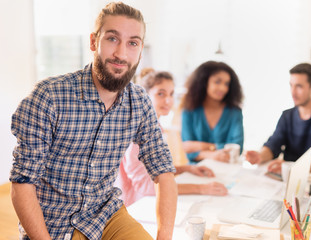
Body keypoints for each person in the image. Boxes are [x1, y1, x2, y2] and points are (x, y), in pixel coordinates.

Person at [9, 2, 177, 240]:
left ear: (140, 51)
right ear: (93, 42)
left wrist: (164, 237)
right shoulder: (49, 97)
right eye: (112, 39)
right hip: (54, 225)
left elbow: (164, 172)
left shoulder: (139, 101)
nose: (121, 53)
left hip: (106, 216)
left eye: (132, 43)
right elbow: (22, 183)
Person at [117, 69, 228, 207]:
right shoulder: (137, 130)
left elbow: (153, 169)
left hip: (146, 202)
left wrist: (186, 169)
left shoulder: (155, 125)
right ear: (144, 95)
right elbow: (145, 186)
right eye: (161, 94)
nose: (168, 100)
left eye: (171, 94)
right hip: (134, 207)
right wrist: (201, 188)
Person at [245, 63, 311, 173]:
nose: (293, 92)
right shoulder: (287, 116)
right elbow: (273, 144)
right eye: (291, 85)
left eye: (299, 86)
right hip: (289, 179)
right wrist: (260, 156)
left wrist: (291, 168)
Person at [181, 61, 244, 164]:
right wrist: (214, 153)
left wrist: (200, 147)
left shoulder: (234, 112)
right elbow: (187, 149)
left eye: (227, 84)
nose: (223, 88)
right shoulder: (189, 110)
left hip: (227, 168)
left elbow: (237, 148)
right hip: (196, 169)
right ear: (204, 82)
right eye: (217, 82)